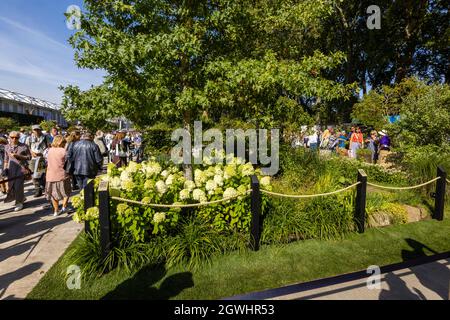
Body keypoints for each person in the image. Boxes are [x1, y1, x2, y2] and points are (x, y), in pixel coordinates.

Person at [3, 131, 32, 211]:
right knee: (11, 186)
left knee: (18, 186)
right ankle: (22, 197)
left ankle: (19, 202)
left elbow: (29, 157)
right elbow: (6, 159)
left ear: (19, 138)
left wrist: (18, 156)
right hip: (11, 169)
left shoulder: (24, 146)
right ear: (9, 137)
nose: (14, 139)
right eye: (12, 137)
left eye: (16, 137)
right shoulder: (7, 147)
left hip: (21, 168)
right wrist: (5, 168)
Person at [45, 135, 72, 216]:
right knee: (66, 192)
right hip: (62, 175)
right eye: (64, 142)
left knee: (53, 195)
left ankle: (56, 211)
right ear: (61, 142)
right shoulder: (64, 151)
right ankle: (64, 206)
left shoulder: (48, 150)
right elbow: (68, 163)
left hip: (50, 175)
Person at [27, 125, 51, 197]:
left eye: (38, 130)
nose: (36, 131)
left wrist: (44, 153)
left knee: (41, 174)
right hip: (33, 159)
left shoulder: (45, 137)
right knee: (33, 174)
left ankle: (43, 187)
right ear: (32, 130)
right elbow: (27, 147)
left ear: (40, 130)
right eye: (35, 130)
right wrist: (31, 152)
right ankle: (38, 190)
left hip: (42, 158)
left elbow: (49, 146)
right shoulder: (29, 138)